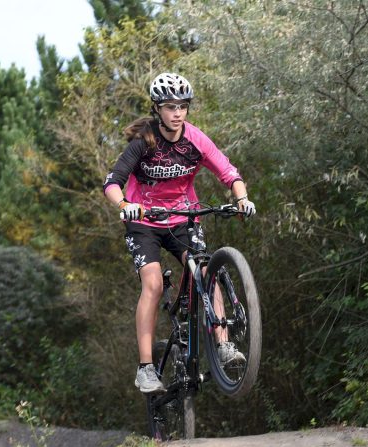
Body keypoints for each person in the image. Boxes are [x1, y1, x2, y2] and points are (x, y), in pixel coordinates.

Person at [103, 72, 256, 394]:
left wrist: (241, 198)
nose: (177, 113)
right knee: (154, 284)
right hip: (144, 220)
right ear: (157, 108)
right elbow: (112, 183)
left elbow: (229, 173)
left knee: (206, 269)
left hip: (184, 217)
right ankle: (146, 368)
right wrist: (124, 205)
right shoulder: (142, 143)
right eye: (170, 106)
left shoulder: (196, 139)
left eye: (183, 106)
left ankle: (224, 345)